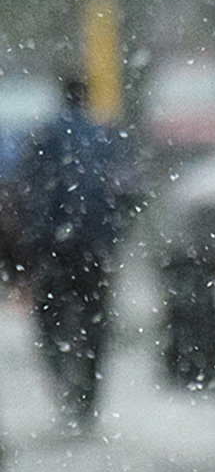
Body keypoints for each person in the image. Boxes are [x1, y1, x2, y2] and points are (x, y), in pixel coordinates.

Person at [12, 72, 136, 435]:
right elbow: (125, 188)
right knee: (96, 321)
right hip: (95, 247)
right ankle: (88, 399)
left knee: (49, 323)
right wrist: (115, 236)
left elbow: (25, 189)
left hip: (51, 246)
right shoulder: (106, 136)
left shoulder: (43, 136)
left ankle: (63, 387)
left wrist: (29, 245)